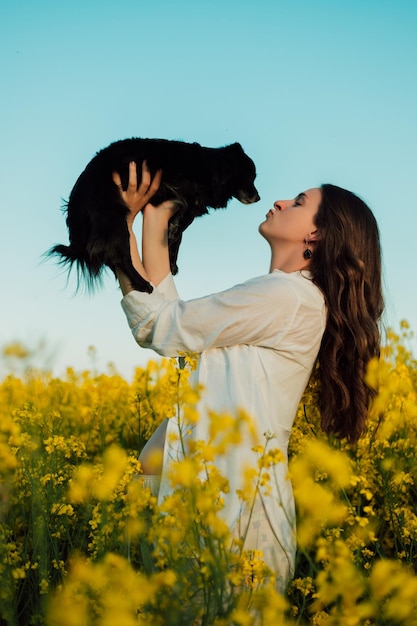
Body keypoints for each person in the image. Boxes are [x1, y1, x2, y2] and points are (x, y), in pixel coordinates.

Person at [113, 161, 383, 591]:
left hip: (234, 534)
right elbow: (176, 324)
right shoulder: (288, 298)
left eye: (298, 203)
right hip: (219, 518)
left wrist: (117, 225)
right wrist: (156, 217)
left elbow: (160, 327)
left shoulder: (287, 297)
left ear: (316, 235)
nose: (278, 201)